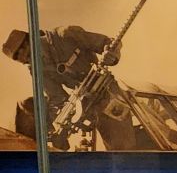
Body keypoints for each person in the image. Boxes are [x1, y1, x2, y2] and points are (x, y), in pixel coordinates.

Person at [2, 27, 136, 150]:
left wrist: (111, 55)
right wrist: (59, 129)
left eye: (29, 55)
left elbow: (109, 42)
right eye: (26, 61)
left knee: (122, 147)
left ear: (31, 41)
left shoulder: (65, 35)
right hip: (85, 102)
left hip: (107, 91)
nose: (31, 62)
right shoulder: (36, 69)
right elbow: (57, 98)